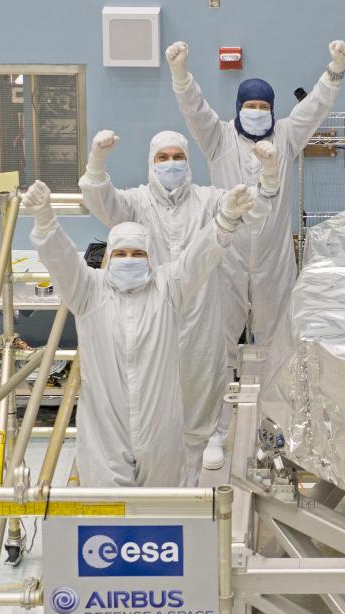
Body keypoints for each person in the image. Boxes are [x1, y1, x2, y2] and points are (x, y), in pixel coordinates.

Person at [22, 179, 257, 614]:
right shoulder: (89, 292)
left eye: (138, 253)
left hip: (160, 426)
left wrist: (225, 220)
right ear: (107, 258)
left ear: (150, 259)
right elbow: (61, 261)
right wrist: (45, 221)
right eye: (121, 253)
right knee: (107, 518)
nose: (129, 260)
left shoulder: (167, 288)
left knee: (159, 512)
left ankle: (162, 599)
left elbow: (199, 258)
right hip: (104, 430)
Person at [165, 38, 345, 465]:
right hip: (225, 259)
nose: (257, 112)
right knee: (219, 350)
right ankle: (215, 433)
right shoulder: (218, 138)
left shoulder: (285, 136)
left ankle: (276, 433)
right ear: (238, 108)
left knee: (276, 350)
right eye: (250, 106)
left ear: (272, 110)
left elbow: (315, 107)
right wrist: (180, 75)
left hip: (273, 262)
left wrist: (335, 70)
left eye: (263, 106)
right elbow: (194, 109)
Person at [79, 130, 279, 472]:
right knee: (152, 387)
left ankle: (209, 439)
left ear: (188, 162)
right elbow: (100, 200)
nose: (170, 164)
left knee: (203, 376)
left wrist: (269, 175)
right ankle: (153, 457)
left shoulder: (208, 199)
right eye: (163, 158)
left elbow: (253, 209)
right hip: (152, 312)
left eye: (177, 157)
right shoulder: (136, 203)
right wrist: (97, 160)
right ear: (151, 162)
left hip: (201, 309)